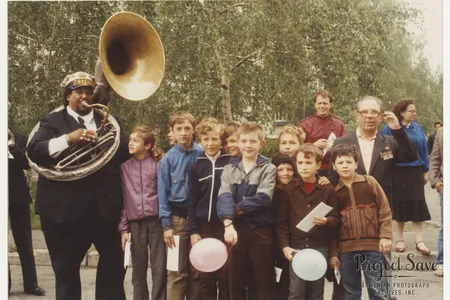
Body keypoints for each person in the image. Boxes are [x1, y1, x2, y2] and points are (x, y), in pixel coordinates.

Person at [27, 72, 128, 300]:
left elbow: (126, 154)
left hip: (106, 210)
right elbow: (34, 150)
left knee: (114, 272)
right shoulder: (52, 121)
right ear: (67, 96)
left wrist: (149, 149)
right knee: (66, 275)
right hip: (65, 214)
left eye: (88, 92)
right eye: (78, 93)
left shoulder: (111, 122)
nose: (84, 96)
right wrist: (68, 139)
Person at [328, 95, 417, 300]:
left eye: (374, 113)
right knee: (348, 285)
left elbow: (411, 156)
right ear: (357, 115)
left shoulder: (391, 141)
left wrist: (397, 128)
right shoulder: (342, 142)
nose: (369, 116)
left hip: (378, 217)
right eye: (364, 112)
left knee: (381, 281)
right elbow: (333, 179)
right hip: (346, 222)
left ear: (380, 116)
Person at [217, 121, 277, 300]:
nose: (247, 145)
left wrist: (237, 208)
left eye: (252, 141)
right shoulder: (229, 168)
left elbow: (264, 198)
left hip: (260, 231)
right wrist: (228, 222)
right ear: (238, 142)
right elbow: (224, 196)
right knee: (235, 278)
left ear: (262, 143)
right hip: (235, 230)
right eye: (243, 141)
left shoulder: (268, 168)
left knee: (262, 280)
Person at [329, 144, 392, 300]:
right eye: (340, 162)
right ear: (334, 166)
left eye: (349, 162)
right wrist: (334, 253)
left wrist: (385, 236)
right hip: (346, 251)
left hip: (372, 247)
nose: (345, 166)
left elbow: (384, 210)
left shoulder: (369, 182)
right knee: (350, 291)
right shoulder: (334, 192)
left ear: (356, 164)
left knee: (378, 289)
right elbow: (333, 225)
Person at [276, 144, 339, 300]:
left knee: (316, 292)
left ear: (318, 164)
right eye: (300, 163)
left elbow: (337, 220)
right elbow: (281, 222)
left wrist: (326, 220)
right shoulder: (289, 190)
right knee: (296, 292)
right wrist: (285, 247)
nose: (304, 167)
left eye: (308, 163)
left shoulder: (327, 189)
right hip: (296, 247)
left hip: (319, 247)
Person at [158, 111, 202, 300]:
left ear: (193, 130)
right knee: (176, 271)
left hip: (199, 220)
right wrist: (167, 226)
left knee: (198, 270)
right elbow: (163, 194)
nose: (183, 133)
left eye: (187, 128)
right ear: (172, 132)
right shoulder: (167, 159)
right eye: (179, 129)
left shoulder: (202, 153)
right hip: (177, 221)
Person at [119, 125, 166, 300]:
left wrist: (167, 222)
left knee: (159, 269)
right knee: (138, 271)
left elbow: (164, 194)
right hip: (135, 224)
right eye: (130, 139)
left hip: (157, 223)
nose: (130, 143)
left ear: (147, 145)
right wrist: (124, 229)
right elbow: (124, 198)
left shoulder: (158, 163)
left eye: (136, 140)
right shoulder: (124, 167)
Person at [380, 99, 431, 255]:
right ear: (401, 112)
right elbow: (384, 149)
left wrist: (425, 170)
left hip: (415, 170)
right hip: (397, 171)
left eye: (415, 110)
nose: (414, 113)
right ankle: (400, 239)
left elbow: (423, 150)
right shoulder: (388, 128)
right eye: (411, 110)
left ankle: (419, 240)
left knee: (417, 203)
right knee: (399, 204)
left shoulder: (418, 128)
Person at [188, 117, 230, 300]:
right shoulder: (196, 166)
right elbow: (192, 200)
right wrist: (193, 230)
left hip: (226, 225)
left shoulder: (230, 161)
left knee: (226, 275)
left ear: (221, 139)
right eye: (206, 139)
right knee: (206, 275)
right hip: (204, 226)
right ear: (200, 141)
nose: (210, 143)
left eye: (214, 139)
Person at [8, 118, 45, 296]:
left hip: (17, 196)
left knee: (24, 241)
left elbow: (26, 164)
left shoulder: (19, 138)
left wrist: (12, 146)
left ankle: (31, 285)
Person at [299, 90, 346, 176]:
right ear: (315, 104)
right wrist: (313, 145)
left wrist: (334, 148)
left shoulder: (339, 124)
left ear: (330, 105)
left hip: (334, 168)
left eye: (325, 103)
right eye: (319, 103)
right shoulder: (305, 124)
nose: (322, 106)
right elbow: (299, 148)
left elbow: (345, 147)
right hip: (311, 168)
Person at [429, 127, 444, 276]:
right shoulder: (442, 132)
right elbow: (435, 159)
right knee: (445, 226)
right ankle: (442, 262)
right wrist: (435, 181)